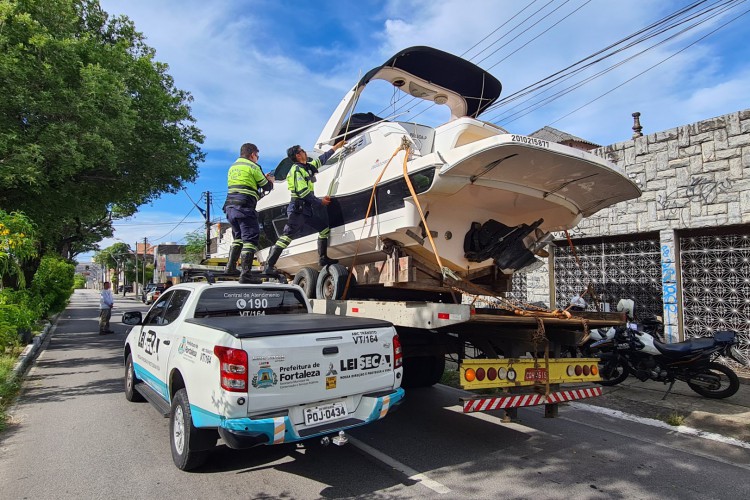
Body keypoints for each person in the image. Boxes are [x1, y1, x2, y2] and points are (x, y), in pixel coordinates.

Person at [264, 140, 345, 274]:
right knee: (286, 237)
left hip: (306, 210)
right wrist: (321, 202)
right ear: (297, 155)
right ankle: (269, 265)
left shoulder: (306, 167)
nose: (305, 152)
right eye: (302, 151)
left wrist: (336, 147)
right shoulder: (296, 170)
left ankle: (323, 258)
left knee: (324, 229)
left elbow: (321, 160)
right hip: (298, 210)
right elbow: (303, 192)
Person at [223, 143, 274, 283]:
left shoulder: (233, 167)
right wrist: (269, 180)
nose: (257, 158)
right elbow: (266, 186)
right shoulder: (253, 166)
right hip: (244, 208)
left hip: (230, 208)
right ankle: (245, 275)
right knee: (250, 239)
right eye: (257, 155)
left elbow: (245, 183)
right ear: (252, 154)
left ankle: (230, 267)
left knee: (238, 237)